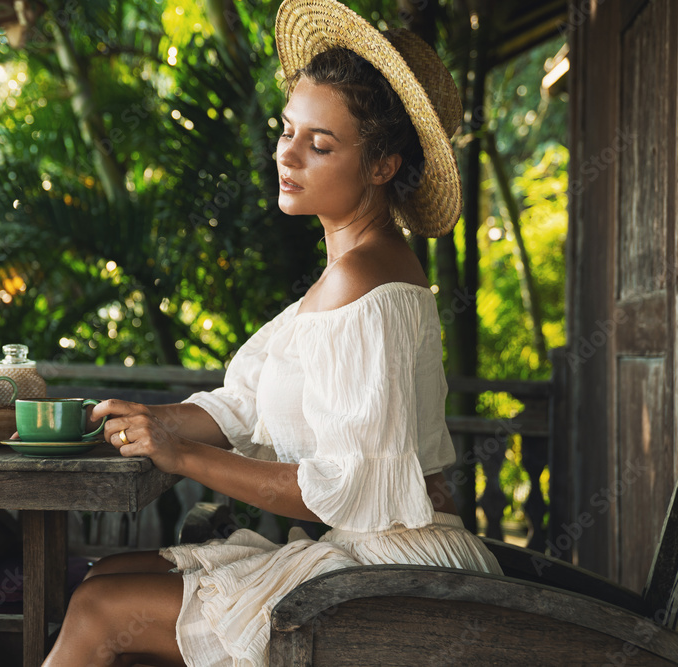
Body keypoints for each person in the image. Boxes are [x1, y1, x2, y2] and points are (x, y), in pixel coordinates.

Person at [42, 0, 502, 664]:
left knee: (97, 608)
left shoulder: (365, 282)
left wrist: (181, 454)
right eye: (286, 129)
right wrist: (149, 419)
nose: (287, 153)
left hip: (396, 570)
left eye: (320, 143)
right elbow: (249, 403)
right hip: (362, 553)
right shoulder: (350, 272)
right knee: (107, 577)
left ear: (383, 166)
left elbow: (349, 484)